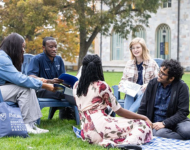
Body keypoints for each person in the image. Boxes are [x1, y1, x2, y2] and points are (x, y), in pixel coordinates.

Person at [73, 54, 153, 147]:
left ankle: (108, 142)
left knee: (119, 122)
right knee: (143, 125)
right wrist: (143, 117)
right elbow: (119, 111)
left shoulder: (76, 85)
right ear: (99, 67)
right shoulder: (101, 85)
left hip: (86, 132)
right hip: (101, 128)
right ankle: (124, 145)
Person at [0, 33, 55, 134]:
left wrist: (39, 81)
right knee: (24, 88)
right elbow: (19, 79)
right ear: (15, 46)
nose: (23, 50)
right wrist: (44, 85)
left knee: (28, 87)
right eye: (22, 47)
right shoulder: (2, 59)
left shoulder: (5, 57)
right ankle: (26, 125)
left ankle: (31, 125)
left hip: (2, 90)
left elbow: (18, 78)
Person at [138, 59, 190, 140]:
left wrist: (165, 123)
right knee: (160, 133)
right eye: (160, 71)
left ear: (171, 78)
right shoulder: (152, 83)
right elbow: (143, 106)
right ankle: (180, 138)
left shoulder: (182, 87)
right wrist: (141, 122)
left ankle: (172, 136)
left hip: (176, 121)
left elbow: (183, 112)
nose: (158, 74)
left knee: (187, 131)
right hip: (156, 123)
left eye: (162, 73)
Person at [27, 37, 75, 119]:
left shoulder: (59, 59)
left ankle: (69, 114)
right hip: (40, 89)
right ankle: (71, 113)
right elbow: (31, 77)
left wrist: (68, 82)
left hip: (56, 88)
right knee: (65, 92)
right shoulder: (37, 59)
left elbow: (63, 77)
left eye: (55, 46)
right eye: (51, 47)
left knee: (73, 90)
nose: (54, 49)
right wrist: (50, 81)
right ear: (43, 48)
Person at [119, 37, 158, 112]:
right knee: (129, 93)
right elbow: (123, 79)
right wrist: (121, 84)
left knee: (144, 93)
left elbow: (157, 81)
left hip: (146, 94)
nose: (135, 50)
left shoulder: (152, 64)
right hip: (132, 92)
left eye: (138, 47)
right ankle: (129, 116)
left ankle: (128, 115)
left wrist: (147, 85)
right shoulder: (129, 64)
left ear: (143, 48)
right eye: (133, 48)